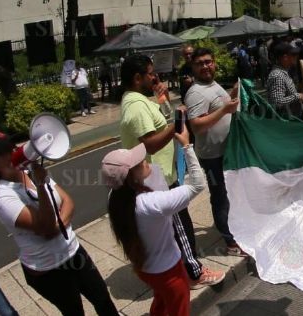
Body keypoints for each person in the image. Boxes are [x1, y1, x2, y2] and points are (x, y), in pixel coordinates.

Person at [119, 54, 225, 289]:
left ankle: (185, 266)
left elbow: (156, 120)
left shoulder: (139, 101)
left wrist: (163, 102)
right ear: (138, 78)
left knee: (177, 226)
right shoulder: (135, 107)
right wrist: (177, 123)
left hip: (164, 174)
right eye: (150, 73)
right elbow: (149, 143)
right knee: (180, 227)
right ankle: (194, 272)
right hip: (160, 179)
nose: (155, 77)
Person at [0, 132, 118, 316]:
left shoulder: (30, 172)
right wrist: (42, 186)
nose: (12, 152)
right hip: (48, 271)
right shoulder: (4, 197)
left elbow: (68, 201)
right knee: (74, 311)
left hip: (74, 251)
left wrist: (56, 225)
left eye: (12, 147)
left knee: (102, 298)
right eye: (4, 152)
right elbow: (45, 226)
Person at [103, 124, 205, 316]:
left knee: (161, 300)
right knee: (178, 309)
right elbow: (198, 184)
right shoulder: (151, 204)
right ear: (131, 178)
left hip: (146, 270)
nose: (145, 160)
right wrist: (186, 145)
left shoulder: (116, 198)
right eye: (140, 162)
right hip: (169, 271)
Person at [184, 48, 245, 256]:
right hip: (212, 156)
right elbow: (196, 126)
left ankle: (235, 229)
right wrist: (224, 110)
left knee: (231, 193)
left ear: (214, 63)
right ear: (193, 67)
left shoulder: (213, 85)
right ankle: (230, 242)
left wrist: (233, 95)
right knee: (219, 195)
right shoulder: (195, 93)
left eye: (208, 61)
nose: (205, 66)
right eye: (200, 63)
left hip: (226, 151)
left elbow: (219, 106)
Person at [266, 43, 303, 120]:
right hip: (289, 122)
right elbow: (277, 102)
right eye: (293, 55)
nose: (296, 57)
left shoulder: (283, 72)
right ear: (285, 57)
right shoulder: (278, 76)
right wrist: (297, 96)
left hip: (293, 117)